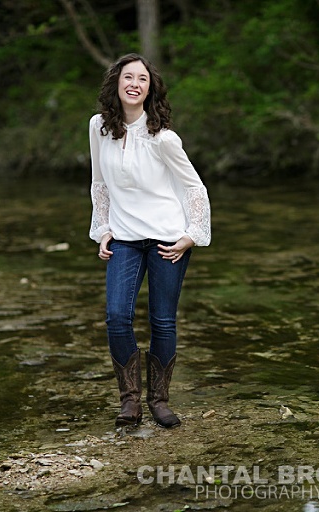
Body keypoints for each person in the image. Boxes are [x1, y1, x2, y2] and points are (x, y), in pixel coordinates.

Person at [88, 53, 211, 429]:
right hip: (124, 238)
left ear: (150, 89)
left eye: (142, 79)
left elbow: (195, 188)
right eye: (129, 77)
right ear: (116, 82)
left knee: (162, 321)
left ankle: (159, 400)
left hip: (167, 239)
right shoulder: (98, 128)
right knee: (116, 317)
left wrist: (191, 236)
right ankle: (130, 401)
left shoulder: (164, 139)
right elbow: (99, 183)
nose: (135, 84)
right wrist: (103, 229)